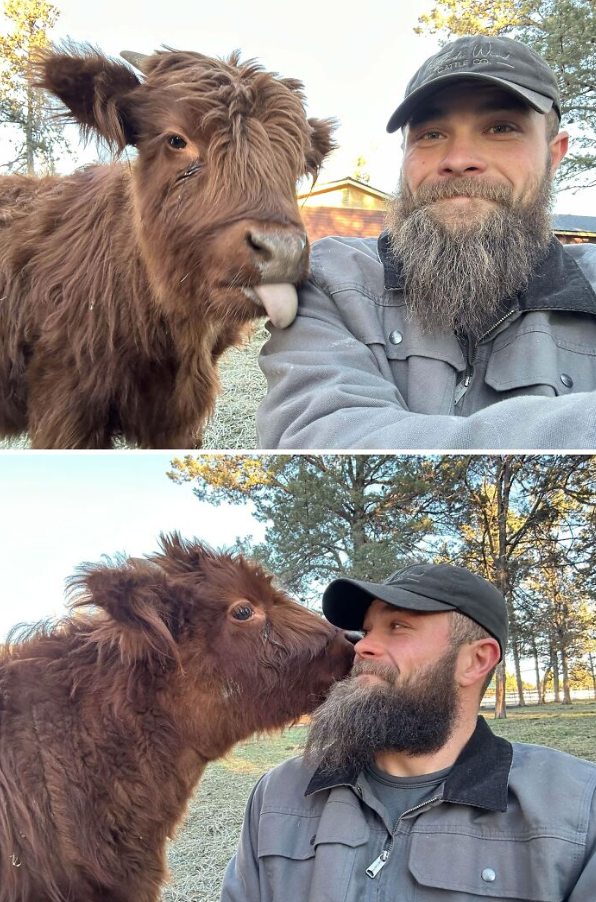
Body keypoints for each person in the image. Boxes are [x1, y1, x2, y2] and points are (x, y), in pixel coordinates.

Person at [255, 36, 596, 449]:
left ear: (553, 154)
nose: (458, 157)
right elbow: (318, 433)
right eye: (432, 134)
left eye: (501, 128)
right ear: (404, 156)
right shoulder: (332, 280)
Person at [220, 562, 596, 901]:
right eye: (366, 630)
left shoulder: (577, 812)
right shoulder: (278, 795)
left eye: (397, 626)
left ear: (475, 660)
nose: (362, 646)